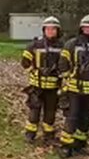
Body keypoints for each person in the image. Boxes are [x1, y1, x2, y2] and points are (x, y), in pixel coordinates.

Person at [58, 14, 89, 157]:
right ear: (82, 28)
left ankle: (80, 143)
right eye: (87, 27)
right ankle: (66, 145)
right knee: (72, 116)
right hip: (74, 88)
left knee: (86, 116)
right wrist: (68, 77)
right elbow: (63, 62)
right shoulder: (72, 44)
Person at [20, 16, 64, 144]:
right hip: (36, 86)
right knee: (34, 111)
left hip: (53, 87)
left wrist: (59, 73)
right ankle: (30, 134)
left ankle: (48, 135)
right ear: (44, 30)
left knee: (50, 113)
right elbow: (25, 62)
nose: (50, 32)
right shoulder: (35, 45)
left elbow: (66, 63)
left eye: (53, 29)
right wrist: (33, 71)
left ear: (58, 31)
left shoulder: (62, 46)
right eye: (48, 29)